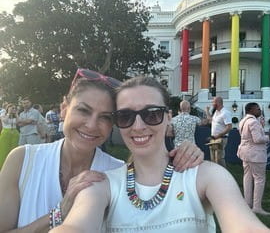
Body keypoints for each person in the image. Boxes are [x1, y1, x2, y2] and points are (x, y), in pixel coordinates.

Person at [52, 76, 270, 233]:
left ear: (169, 117)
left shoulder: (207, 176)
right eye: (126, 116)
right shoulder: (102, 184)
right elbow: (76, 226)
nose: (138, 126)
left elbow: (244, 225)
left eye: (151, 114)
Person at [0, 69, 203, 232]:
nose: (91, 125)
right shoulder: (23, 160)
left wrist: (185, 153)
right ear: (64, 107)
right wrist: (58, 214)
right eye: (83, 110)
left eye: (105, 117)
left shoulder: (118, 173)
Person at [237, 102, 270, 216]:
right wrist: (268, 137)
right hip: (255, 154)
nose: (260, 111)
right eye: (258, 109)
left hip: (245, 153)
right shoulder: (253, 122)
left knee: (247, 177)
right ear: (251, 110)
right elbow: (257, 139)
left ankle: (247, 203)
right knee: (259, 179)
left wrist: (260, 126)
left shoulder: (243, 121)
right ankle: (257, 207)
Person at [206, 96, 232, 167]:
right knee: (213, 159)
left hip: (221, 138)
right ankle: (215, 175)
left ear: (217, 103)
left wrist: (219, 135)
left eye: (213, 102)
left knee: (219, 159)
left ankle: (224, 175)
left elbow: (229, 127)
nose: (212, 104)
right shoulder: (216, 112)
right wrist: (207, 111)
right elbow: (211, 120)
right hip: (214, 138)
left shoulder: (225, 113)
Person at [0, 103, 19, 169]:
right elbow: (4, 120)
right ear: (7, 108)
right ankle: (2, 167)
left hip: (15, 132)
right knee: (4, 150)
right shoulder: (3, 113)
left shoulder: (14, 115)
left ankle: (12, 167)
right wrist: (8, 113)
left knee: (14, 150)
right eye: (11, 108)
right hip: (6, 132)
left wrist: (16, 114)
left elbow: (18, 122)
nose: (13, 109)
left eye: (14, 108)